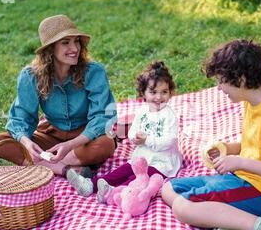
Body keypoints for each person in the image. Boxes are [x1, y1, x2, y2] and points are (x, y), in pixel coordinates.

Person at [161, 39, 261, 230]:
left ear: (242, 79)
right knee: (168, 188)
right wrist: (228, 149)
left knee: (182, 208)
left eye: (221, 81)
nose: (218, 88)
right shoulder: (253, 102)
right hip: (242, 180)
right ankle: (232, 220)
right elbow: (255, 146)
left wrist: (240, 162)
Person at [0, 14, 117, 194]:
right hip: (51, 135)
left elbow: (103, 117)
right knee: (0, 142)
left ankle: (47, 164)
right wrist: (26, 143)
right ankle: (66, 170)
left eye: (76, 41)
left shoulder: (93, 72)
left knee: (106, 143)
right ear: (50, 49)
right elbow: (20, 119)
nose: (74, 48)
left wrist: (71, 145)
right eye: (65, 42)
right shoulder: (31, 77)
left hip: (84, 136)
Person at [72, 61, 182, 202]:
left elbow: (169, 141)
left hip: (162, 162)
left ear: (170, 92)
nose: (159, 97)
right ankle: (90, 185)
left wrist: (147, 140)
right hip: (142, 156)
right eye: (153, 92)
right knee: (124, 169)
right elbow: (133, 130)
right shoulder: (143, 111)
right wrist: (133, 137)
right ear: (143, 93)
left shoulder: (169, 115)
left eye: (164, 92)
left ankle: (113, 193)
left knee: (139, 178)